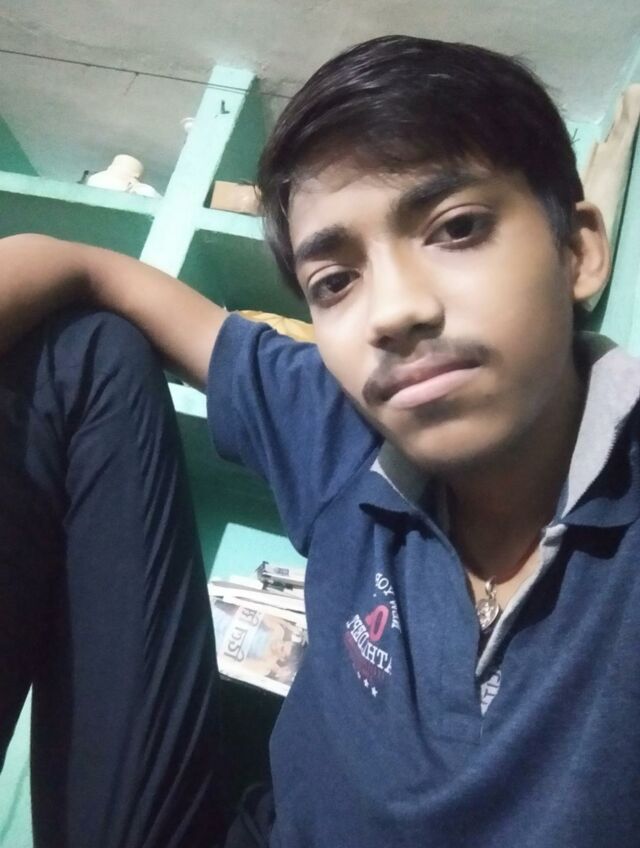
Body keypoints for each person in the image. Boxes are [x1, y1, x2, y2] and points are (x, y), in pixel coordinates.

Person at [0, 32, 637, 848]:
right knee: (83, 354)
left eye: (456, 228)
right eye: (335, 282)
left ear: (578, 251)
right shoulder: (343, 429)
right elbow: (87, 270)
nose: (394, 311)